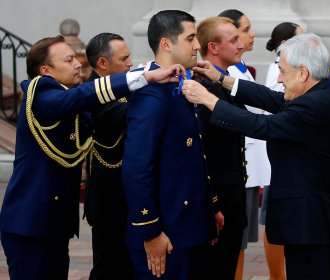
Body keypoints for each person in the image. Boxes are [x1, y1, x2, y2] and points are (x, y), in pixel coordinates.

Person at [0, 35, 185, 280]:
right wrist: (145, 76)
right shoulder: (41, 92)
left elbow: (86, 102)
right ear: (45, 71)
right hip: (30, 223)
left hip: (54, 223)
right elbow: (82, 98)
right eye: (68, 60)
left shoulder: (71, 101)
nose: (78, 64)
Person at [182, 33, 330, 280]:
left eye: (283, 71)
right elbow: (271, 98)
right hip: (313, 225)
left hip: (315, 230)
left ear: (303, 73)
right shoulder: (318, 94)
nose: (280, 78)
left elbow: (260, 125)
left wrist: (208, 99)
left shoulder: (313, 106)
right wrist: (221, 79)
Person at [121, 10, 223, 280]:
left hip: (188, 227)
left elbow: (194, 155)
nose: (198, 46)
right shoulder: (151, 94)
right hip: (166, 233)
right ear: (166, 44)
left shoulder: (179, 84)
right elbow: (137, 166)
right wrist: (149, 230)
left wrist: (209, 210)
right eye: (191, 38)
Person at [218, 9, 271, 280]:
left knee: (240, 240)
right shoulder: (223, 72)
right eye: (244, 31)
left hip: (252, 163)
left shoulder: (239, 69)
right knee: (233, 242)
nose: (249, 37)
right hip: (240, 164)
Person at [196, 16, 247, 280]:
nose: (241, 45)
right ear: (213, 47)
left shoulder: (222, 82)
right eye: (234, 40)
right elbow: (204, 152)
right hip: (220, 204)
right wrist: (211, 204)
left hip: (232, 197)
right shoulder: (202, 90)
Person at [84, 32, 134, 279]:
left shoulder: (123, 86)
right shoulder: (90, 92)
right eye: (124, 58)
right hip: (108, 197)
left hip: (129, 194)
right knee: (108, 267)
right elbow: (120, 114)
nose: (130, 63)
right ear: (103, 63)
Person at [261, 21, 304, 280]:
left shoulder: (289, 62)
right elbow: (277, 105)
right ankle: (277, 275)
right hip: (277, 153)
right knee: (272, 221)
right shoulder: (281, 67)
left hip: (285, 151)